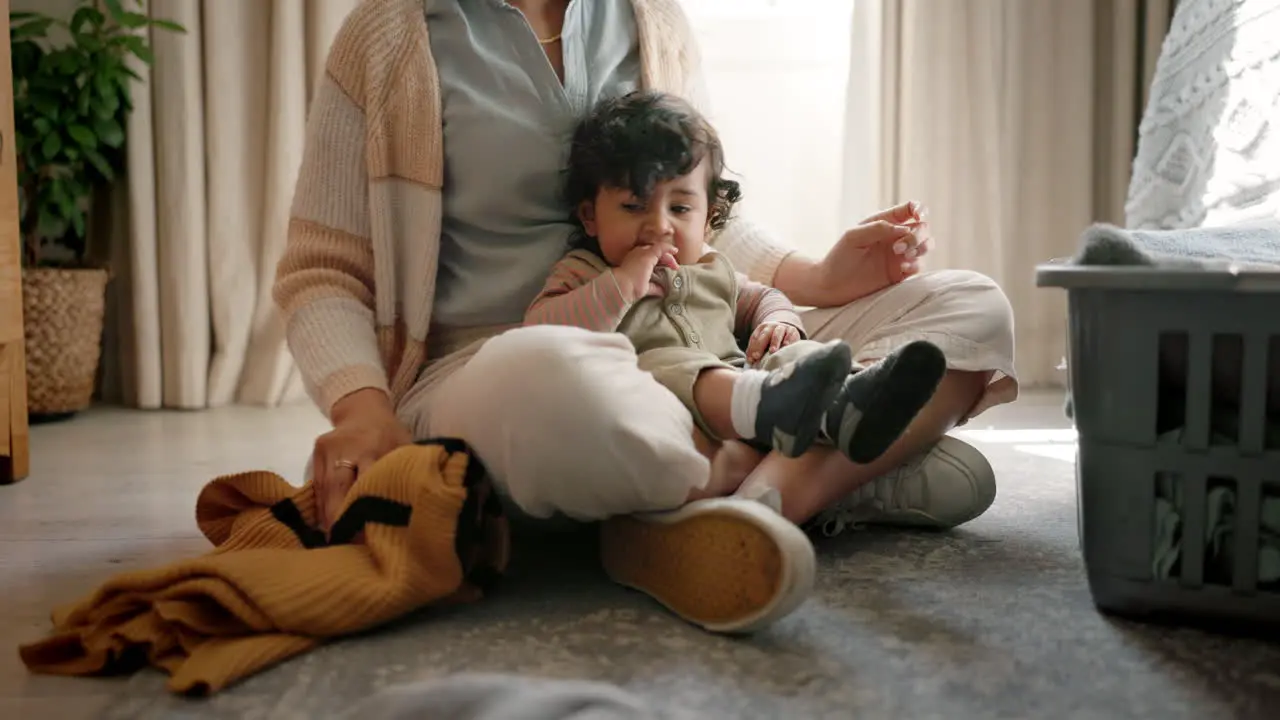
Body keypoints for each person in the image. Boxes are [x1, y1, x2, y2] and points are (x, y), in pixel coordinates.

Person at [273, 0, 1018, 634]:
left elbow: (695, 211)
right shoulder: (391, 33)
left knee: (972, 306)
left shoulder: (649, 16)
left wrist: (817, 278)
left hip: (699, 346)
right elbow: (324, 268)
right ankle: (836, 465)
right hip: (506, 366)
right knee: (555, 370)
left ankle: (762, 504)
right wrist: (363, 408)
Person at [525, 89, 949, 506]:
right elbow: (540, 332)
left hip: (751, 388)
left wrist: (779, 321)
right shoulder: (584, 271)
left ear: (709, 216)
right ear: (590, 217)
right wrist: (618, 287)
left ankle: (853, 400)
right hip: (672, 406)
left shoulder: (713, 268)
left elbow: (762, 296)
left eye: (680, 208)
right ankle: (787, 413)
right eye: (634, 207)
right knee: (662, 363)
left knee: (796, 354)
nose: (659, 226)